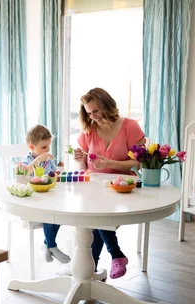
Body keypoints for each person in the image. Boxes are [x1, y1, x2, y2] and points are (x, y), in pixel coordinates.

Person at [73, 88, 146, 279]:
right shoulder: (89, 130)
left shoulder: (129, 127)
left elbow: (140, 160)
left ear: (106, 105)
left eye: (95, 111)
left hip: (122, 188)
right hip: (94, 189)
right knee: (95, 220)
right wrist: (79, 157)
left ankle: (92, 271)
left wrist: (111, 164)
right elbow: (82, 164)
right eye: (88, 113)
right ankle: (110, 259)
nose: (93, 116)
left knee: (96, 220)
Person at [22, 125, 71, 264]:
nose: (48, 150)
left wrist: (58, 173)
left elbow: (54, 172)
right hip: (35, 200)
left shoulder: (48, 160)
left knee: (61, 213)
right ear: (32, 147)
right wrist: (39, 160)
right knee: (50, 215)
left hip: (50, 196)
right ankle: (53, 246)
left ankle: (47, 244)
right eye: (44, 147)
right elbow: (25, 172)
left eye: (49, 146)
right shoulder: (28, 161)